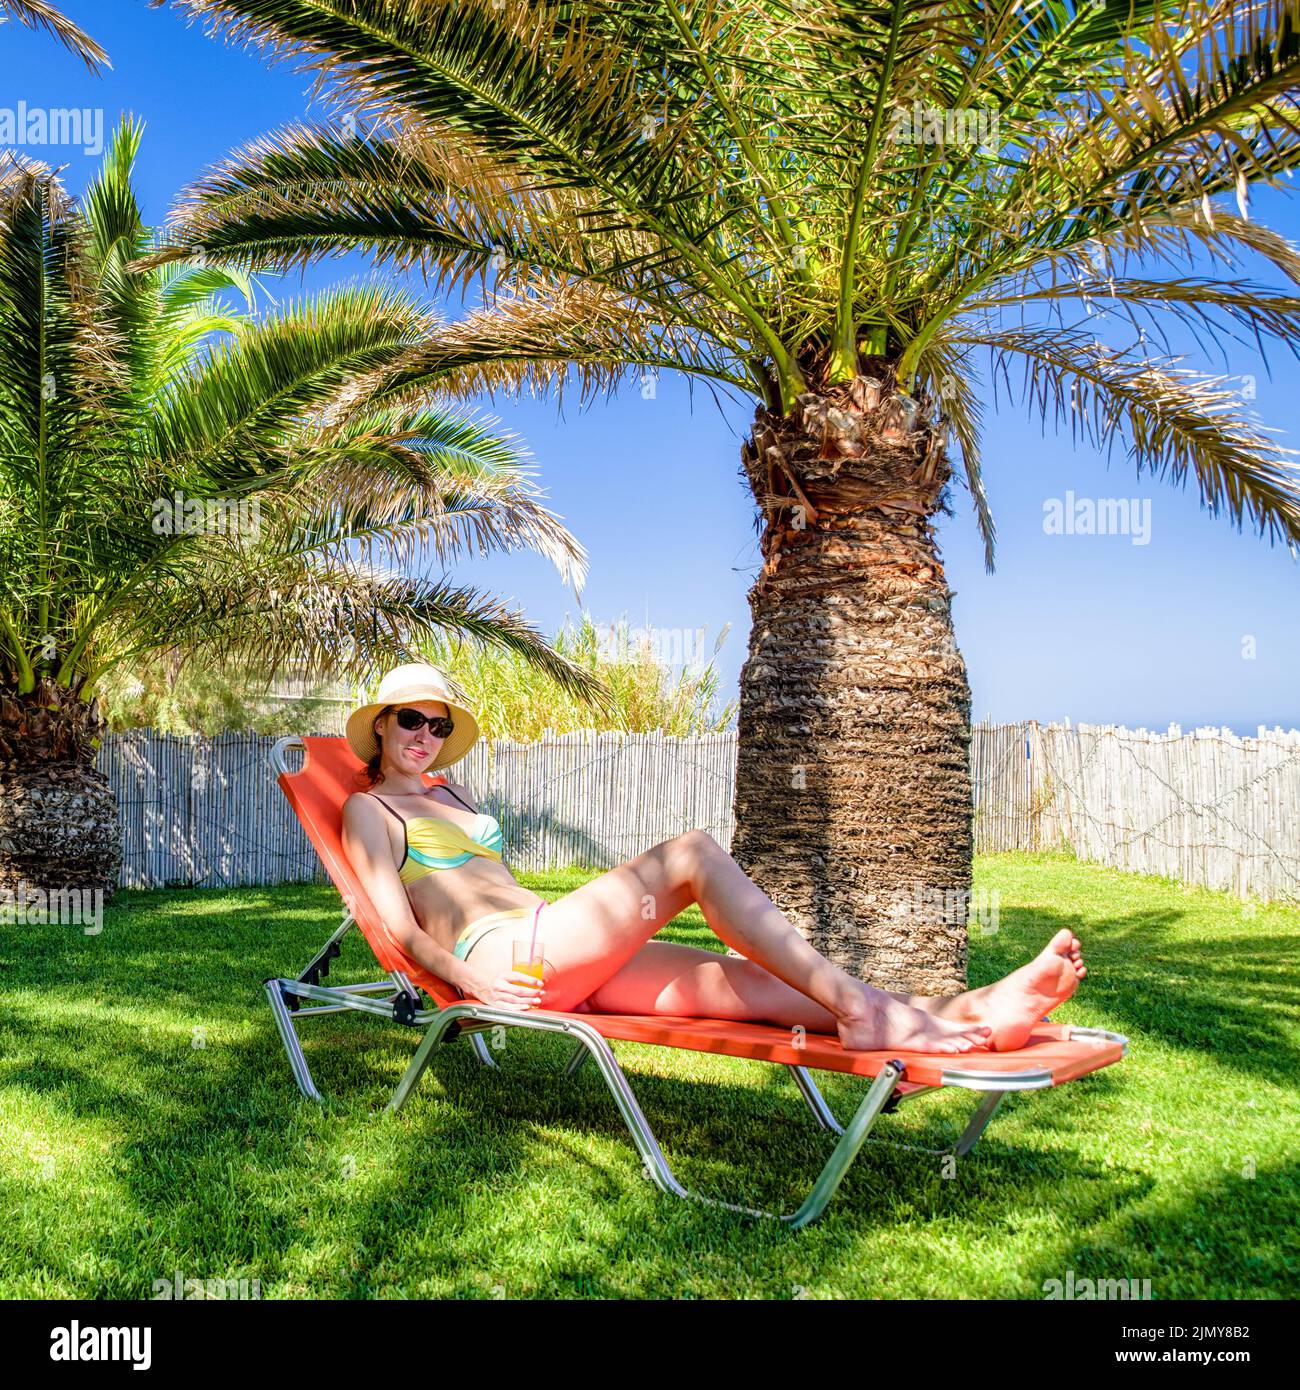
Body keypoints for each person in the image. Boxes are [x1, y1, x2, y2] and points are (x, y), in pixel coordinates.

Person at [341, 664, 1086, 1055]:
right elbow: (397, 926)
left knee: (747, 984)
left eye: (438, 725)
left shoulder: (455, 795)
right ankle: (861, 1009)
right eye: (411, 719)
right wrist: (477, 988)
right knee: (693, 852)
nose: (425, 735)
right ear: (381, 724)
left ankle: (976, 1011)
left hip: (556, 951)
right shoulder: (367, 810)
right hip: (505, 963)